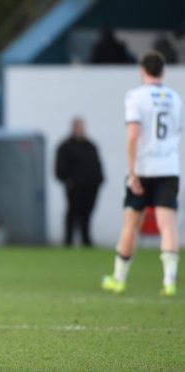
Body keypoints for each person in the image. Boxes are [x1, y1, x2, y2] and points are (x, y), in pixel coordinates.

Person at [102, 52, 182, 296]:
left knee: (131, 223)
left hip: (144, 168)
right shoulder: (176, 98)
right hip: (169, 167)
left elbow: (133, 135)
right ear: (163, 72)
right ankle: (169, 281)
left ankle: (119, 279)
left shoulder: (135, 97)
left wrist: (131, 172)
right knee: (167, 224)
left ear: (142, 70)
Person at [55, 117, 104, 247]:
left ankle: (86, 240)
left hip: (90, 186)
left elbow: (97, 165)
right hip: (74, 187)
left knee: (87, 213)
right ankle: (68, 241)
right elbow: (59, 167)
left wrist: (98, 181)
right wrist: (67, 180)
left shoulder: (90, 146)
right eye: (78, 128)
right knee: (72, 212)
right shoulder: (65, 146)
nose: (81, 131)